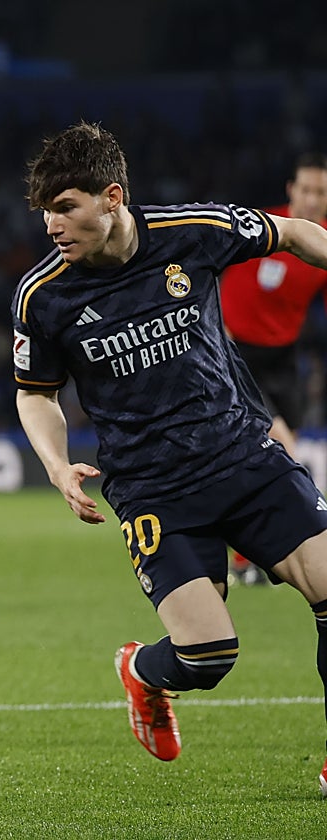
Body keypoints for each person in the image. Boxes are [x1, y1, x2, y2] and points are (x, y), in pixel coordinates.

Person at [13, 121, 327, 792]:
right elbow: (35, 393)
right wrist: (56, 463)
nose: (51, 226)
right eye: (45, 212)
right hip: (154, 489)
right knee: (210, 656)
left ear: (112, 196)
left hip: (245, 455)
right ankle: (142, 673)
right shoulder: (44, 296)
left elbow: (295, 232)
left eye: (65, 207)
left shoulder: (195, 230)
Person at [218, 153, 327, 585]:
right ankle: (286, 547)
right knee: (279, 446)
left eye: (321, 192)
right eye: (307, 189)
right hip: (237, 354)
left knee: (269, 459)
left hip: (284, 358)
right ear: (291, 190)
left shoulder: (322, 244)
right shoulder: (262, 229)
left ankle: (246, 555)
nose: (313, 199)